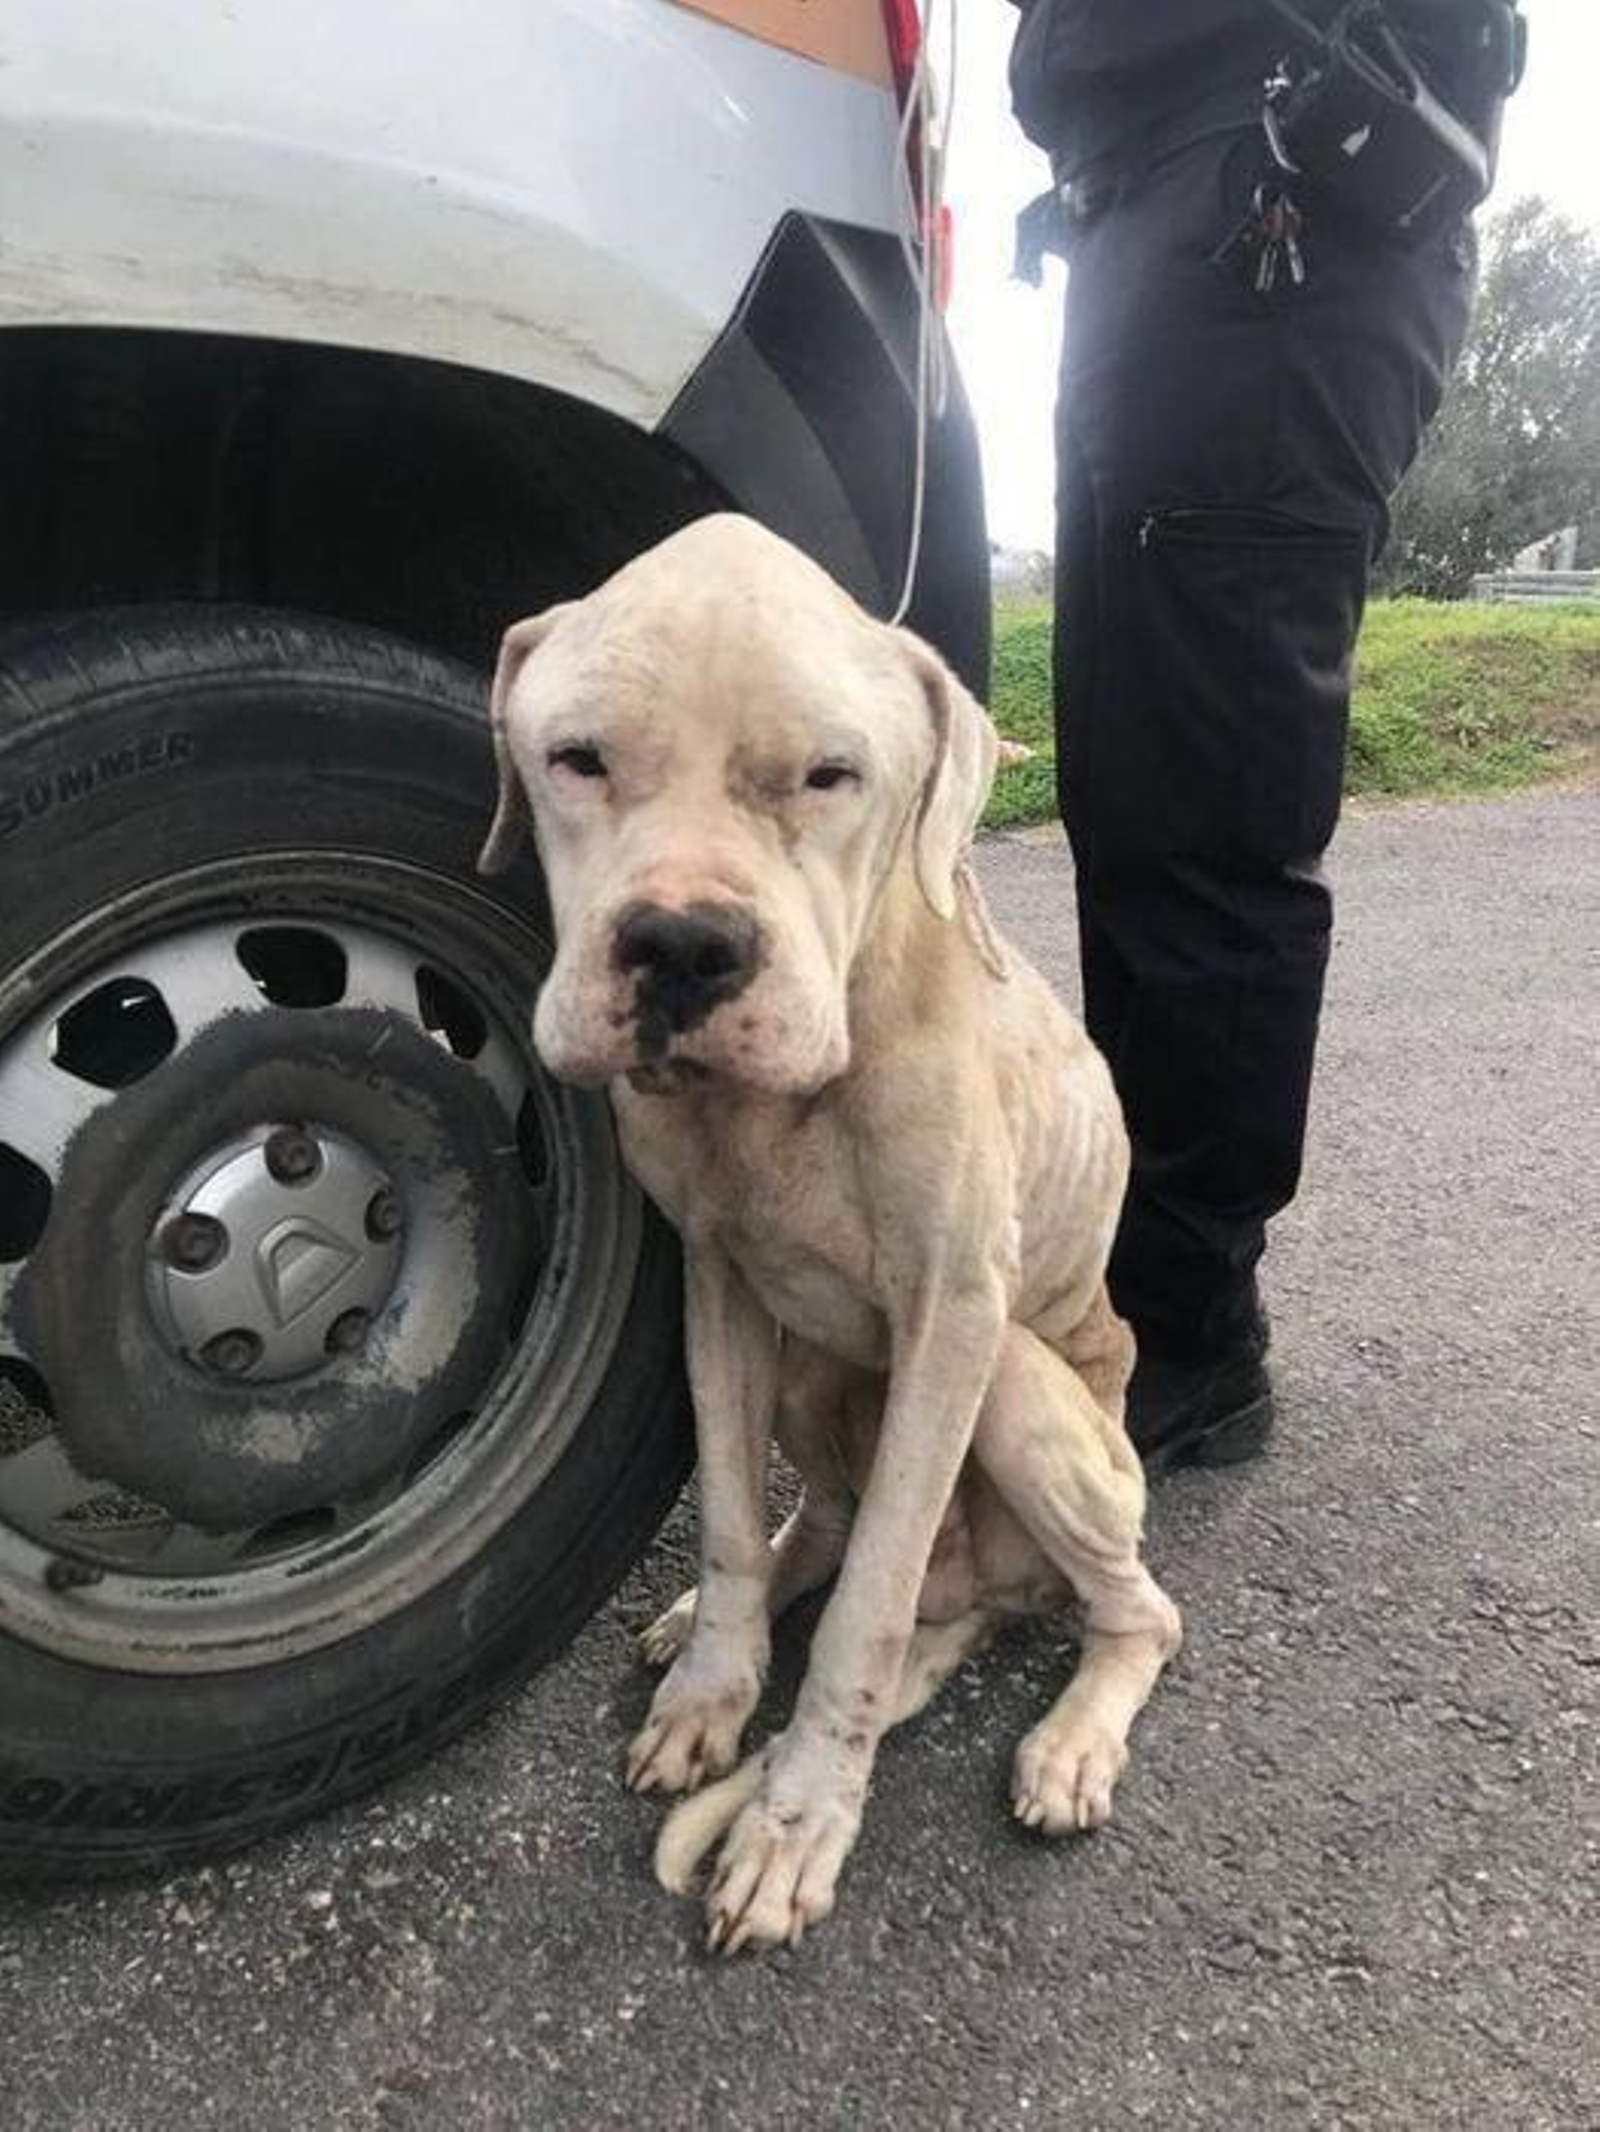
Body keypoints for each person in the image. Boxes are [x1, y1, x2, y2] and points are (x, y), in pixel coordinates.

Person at [1004, 1, 1523, 1471]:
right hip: (1167, 241)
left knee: (1211, 816)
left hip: (1288, 239)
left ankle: (1190, 1334)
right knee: (1127, 794)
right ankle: (1130, 1278)